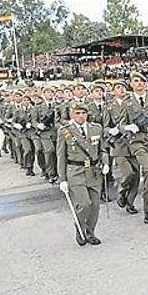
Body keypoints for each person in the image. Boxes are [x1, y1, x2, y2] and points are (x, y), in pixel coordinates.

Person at [56, 101, 110, 247]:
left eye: (83, 113)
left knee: (95, 206)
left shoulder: (96, 128)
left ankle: (91, 232)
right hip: (75, 172)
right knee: (84, 204)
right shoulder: (64, 131)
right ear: (72, 115)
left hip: (94, 172)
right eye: (77, 113)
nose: (81, 116)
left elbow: (103, 149)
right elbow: (61, 156)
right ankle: (80, 228)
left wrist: (106, 163)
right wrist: (62, 179)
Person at [120, 72, 148, 223]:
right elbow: (120, 124)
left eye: (142, 81)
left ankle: (147, 209)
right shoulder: (127, 103)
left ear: (146, 84)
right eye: (135, 81)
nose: (139, 83)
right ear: (131, 84)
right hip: (138, 141)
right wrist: (128, 127)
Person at [104, 79, 140, 215]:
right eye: (118, 87)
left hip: (133, 143)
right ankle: (122, 189)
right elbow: (105, 127)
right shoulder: (109, 106)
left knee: (136, 177)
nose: (121, 89)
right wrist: (111, 130)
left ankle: (130, 203)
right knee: (128, 173)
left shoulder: (132, 103)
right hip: (118, 146)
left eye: (123, 87)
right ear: (113, 91)